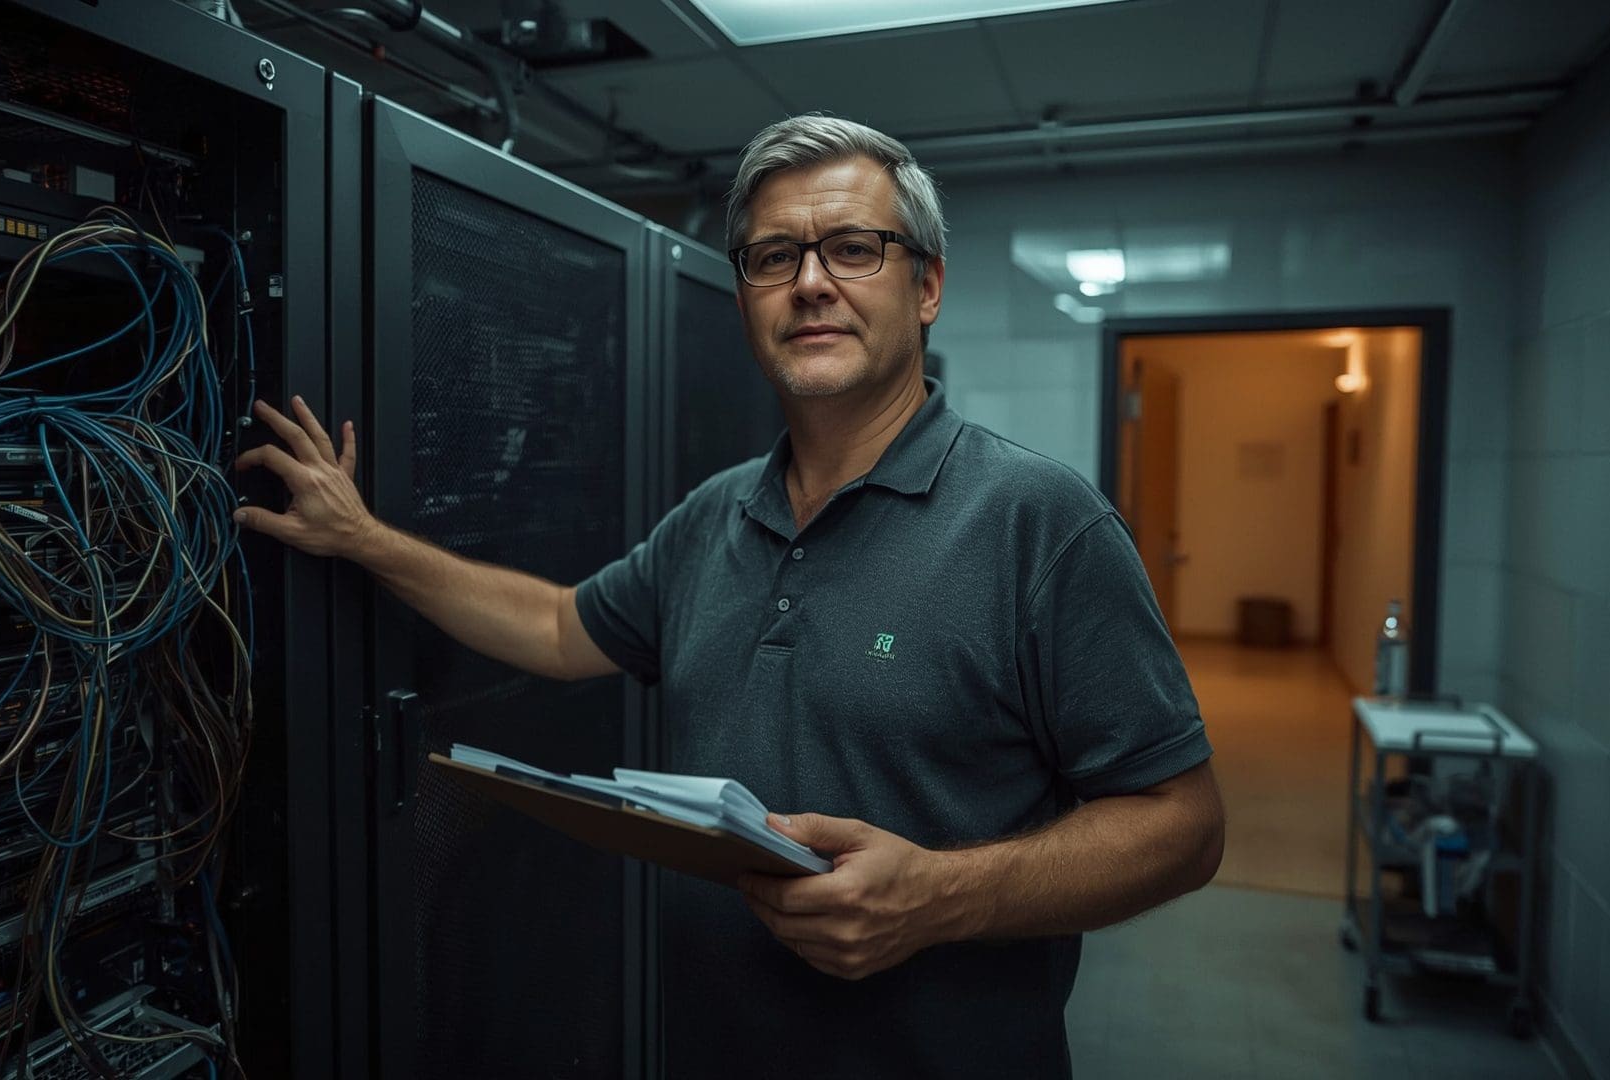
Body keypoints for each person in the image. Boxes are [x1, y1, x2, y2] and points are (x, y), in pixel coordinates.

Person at [235, 114, 1223, 1079]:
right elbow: (557, 627)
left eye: (853, 249)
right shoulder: (716, 515)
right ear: (744, 296)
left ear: (926, 286)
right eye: (773, 257)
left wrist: (939, 897)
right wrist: (362, 539)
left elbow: (1183, 825)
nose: (811, 283)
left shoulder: (1039, 522)